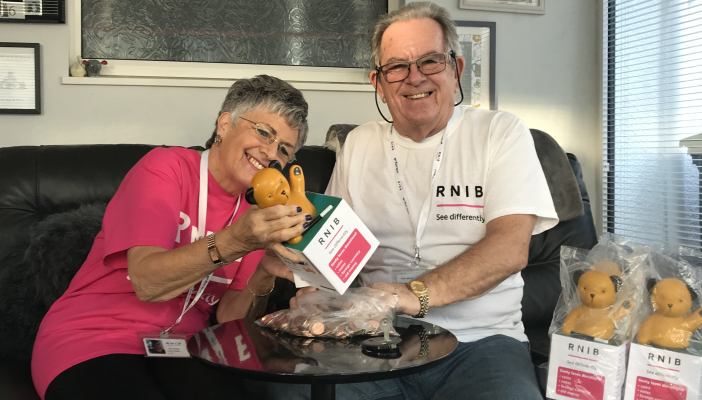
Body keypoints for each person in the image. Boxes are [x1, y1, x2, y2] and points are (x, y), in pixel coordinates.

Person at [287, 2, 558, 399]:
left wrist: (414, 295)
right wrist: (317, 293)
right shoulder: (359, 144)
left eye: (430, 61)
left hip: (482, 343)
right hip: (377, 342)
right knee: (294, 394)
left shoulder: (500, 133)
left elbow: (510, 249)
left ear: (456, 69)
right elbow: (334, 250)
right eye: (396, 66)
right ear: (378, 82)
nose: (414, 78)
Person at [32, 75, 311, 400]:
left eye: (284, 150)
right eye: (263, 132)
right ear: (224, 124)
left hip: (184, 348)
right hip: (93, 336)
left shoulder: (257, 213)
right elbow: (147, 283)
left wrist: (264, 272)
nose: (270, 153)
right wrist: (237, 240)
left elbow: (229, 319)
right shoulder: (165, 169)